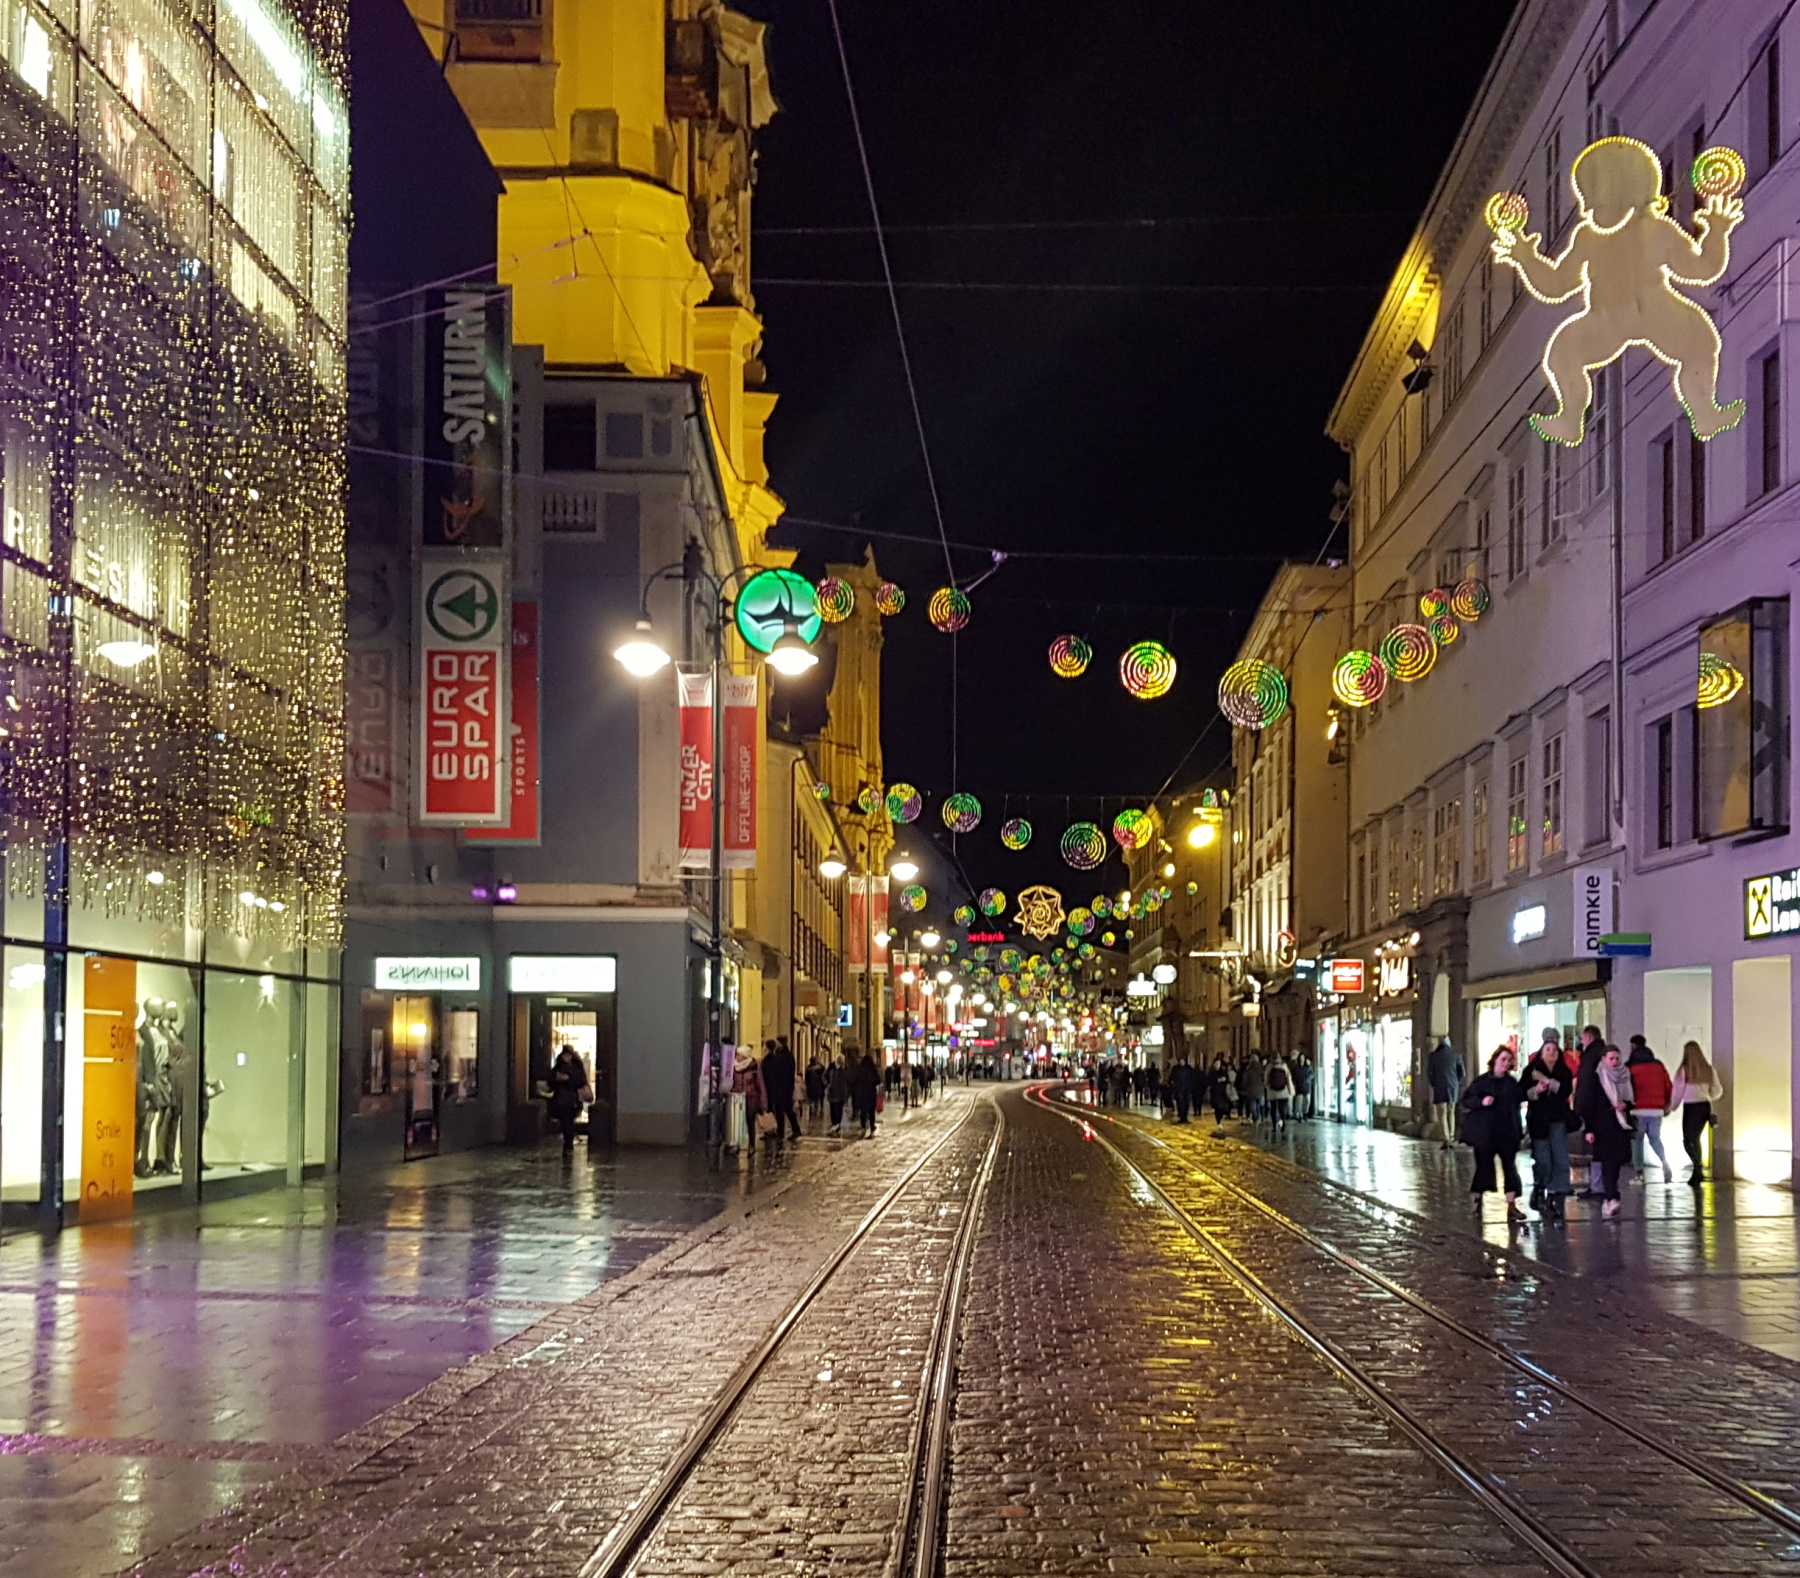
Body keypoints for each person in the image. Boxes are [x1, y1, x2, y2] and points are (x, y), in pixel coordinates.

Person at [1459, 1048, 1525, 1213]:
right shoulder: (1482, 1082)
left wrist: (1519, 1131)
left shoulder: (1511, 1083)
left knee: (1510, 1168)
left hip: (1506, 1132)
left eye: (1509, 1060)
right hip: (1485, 1133)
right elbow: (1466, 1100)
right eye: (1503, 1059)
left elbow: (1517, 1104)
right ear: (1495, 1060)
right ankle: (1478, 1201)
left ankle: (1511, 1205)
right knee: (1483, 1167)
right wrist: (1482, 1101)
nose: (1506, 1063)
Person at [1522, 1037, 1574, 1220]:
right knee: (1543, 1160)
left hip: (1558, 1120)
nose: (1551, 1052)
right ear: (1541, 1053)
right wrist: (1536, 1091)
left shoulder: (1564, 1071)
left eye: (1554, 1050)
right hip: (1539, 1122)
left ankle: (1556, 1197)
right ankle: (1539, 1186)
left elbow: (1565, 1090)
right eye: (1548, 1049)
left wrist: (1546, 1080)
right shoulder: (1530, 1071)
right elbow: (1522, 1092)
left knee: (1560, 1159)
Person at [1582, 1043, 1636, 1217]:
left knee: (1617, 1161)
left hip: (1620, 1124)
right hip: (1602, 1125)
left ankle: (1612, 1195)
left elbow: (1632, 1098)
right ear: (1604, 1059)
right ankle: (1610, 1197)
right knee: (1608, 1162)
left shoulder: (1626, 1075)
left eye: (1617, 1058)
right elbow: (1589, 1104)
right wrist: (1589, 1129)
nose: (1614, 1062)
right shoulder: (1596, 1078)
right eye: (1611, 1058)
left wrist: (1625, 1105)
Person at [1671, 1040, 1723, 1184]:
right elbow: (1717, 1090)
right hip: (1704, 1106)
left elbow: (1677, 1091)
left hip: (1691, 1107)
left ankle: (1697, 1167)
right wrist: (1708, 1095)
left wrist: (1672, 1107)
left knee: (1688, 1140)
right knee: (1696, 1138)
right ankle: (1697, 1170)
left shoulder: (1684, 1070)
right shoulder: (1708, 1069)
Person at [1625, 1036, 1674, 1183]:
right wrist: (1667, 1105)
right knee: (1655, 1139)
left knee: (1637, 1142)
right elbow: (1668, 1087)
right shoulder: (1659, 1066)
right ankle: (1665, 1162)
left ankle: (1639, 1174)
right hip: (1656, 1110)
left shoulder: (1630, 1066)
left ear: (1632, 1046)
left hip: (1637, 1110)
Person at [1572, 1025, 1607, 1195]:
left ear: (1589, 1039)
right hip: (1606, 1107)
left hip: (1593, 1108)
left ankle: (1597, 1186)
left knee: (1596, 1147)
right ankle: (1601, 1185)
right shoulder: (1604, 1053)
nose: (1582, 1042)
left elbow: (1585, 1084)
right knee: (1602, 1148)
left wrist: (1579, 1108)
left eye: (1583, 1038)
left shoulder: (1589, 1056)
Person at [545, 1040, 589, 1153]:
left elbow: (581, 1081)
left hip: (571, 1098)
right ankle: (568, 1140)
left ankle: (568, 1139)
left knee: (568, 1119)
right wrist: (557, 1078)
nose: (566, 1057)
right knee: (566, 1120)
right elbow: (551, 1081)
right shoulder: (559, 1066)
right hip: (562, 1098)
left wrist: (568, 1079)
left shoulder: (576, 1067)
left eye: (568, 1055)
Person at [1426, 1037, 1464, 1150]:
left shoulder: (1433, 1056)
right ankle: (1452, 1136)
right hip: (1453, 1087)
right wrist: (1456, 1082)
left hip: (1439, 1087)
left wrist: (1434, 1083)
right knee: (1451, 1111)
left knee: (1442, 1113)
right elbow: (1462, 1073)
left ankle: (1445, 1138)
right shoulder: (1456, 1055)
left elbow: (1429, 1074)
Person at [762, 1037, 800, 1143]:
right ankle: (783, 1131)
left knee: (784, 1109)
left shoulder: (783, 1056)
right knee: (782, 1110)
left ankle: (788, 1131)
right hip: (783, 1087)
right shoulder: (785, 1055)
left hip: (783, 1087)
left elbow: (782, 1073)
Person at [850, 1051, 880, 1137]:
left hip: (861, 1093)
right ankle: (872, 1126)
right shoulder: (872, 1069)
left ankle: (863, 1126)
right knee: (871, 1111)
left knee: (863, 1111)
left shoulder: (860, 1068)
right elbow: (877, 1080)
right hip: (871, 1092)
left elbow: (854, 1080)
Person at [1264, 1054, 1293, 1130]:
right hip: (1283, 1091)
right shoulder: (1284, 1066)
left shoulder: (1269, 1067)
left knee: (1273, 1108)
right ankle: (1283, 1122)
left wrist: (1267, 1086)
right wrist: (1291, 1090)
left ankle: (1274, 1125)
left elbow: (1266, 1079)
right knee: (1282, 1108)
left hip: (1272, 1091)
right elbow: (1288, 1078)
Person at [1169, 1055, 1197, 1123]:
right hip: (1179, 1089)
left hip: (1187, 1089)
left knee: (1186, 1103)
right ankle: (1181, 1117)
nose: (1181, 1062)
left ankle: (1185, 1117)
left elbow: (1192, 1078)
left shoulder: (1189, 1069)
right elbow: (1171, 1078)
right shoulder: (1175, 1069)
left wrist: (1191, 1087)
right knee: (1180, 1103)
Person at [1239, 1055, 1266, 1123]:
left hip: (1251, 1091)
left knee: (1252, 1105)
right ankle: (1261, 1116)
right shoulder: (1261, 1069)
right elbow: (1265, 1079)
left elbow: (1244, 1081)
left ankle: (1255, 1117)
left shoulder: (1248, 1070)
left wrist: (1243, 1088)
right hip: (1260, 1090)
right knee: (1261, 1104)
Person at [826, 1059, 850, 1133]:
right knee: (836, 1110)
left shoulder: (843, 1071)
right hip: (835, 1094)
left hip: (837, 1094)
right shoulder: (832, 1069)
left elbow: (846, 1084)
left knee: (836, 1110)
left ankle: (836, 1125)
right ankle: (836, 1125)